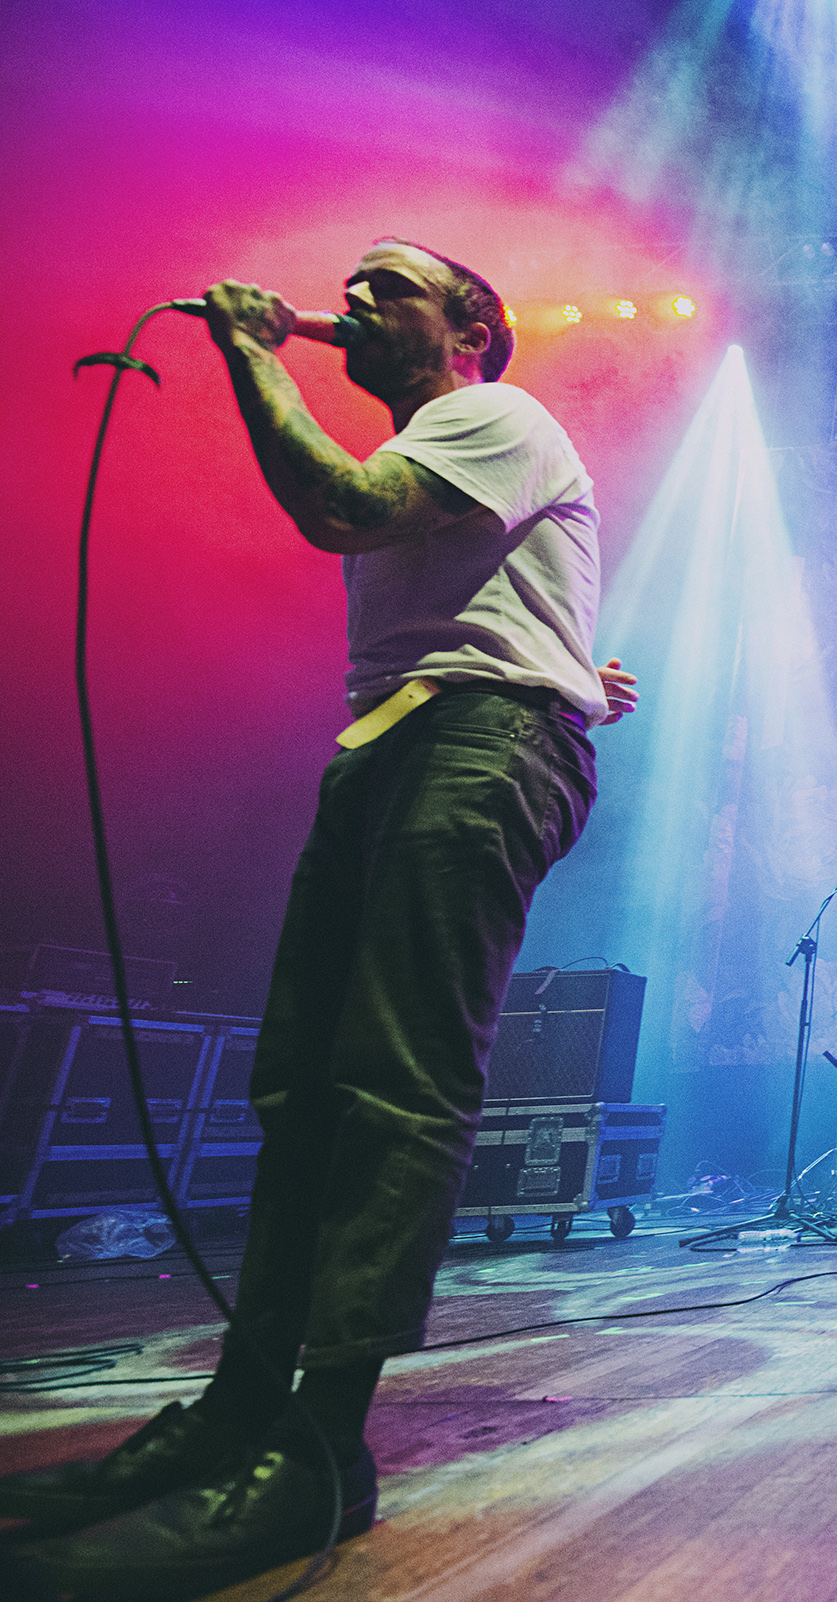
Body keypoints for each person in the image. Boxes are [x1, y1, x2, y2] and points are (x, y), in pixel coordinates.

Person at [1, 239, 639, 1597]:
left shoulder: (495, 413)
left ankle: (317, 1449)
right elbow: (478, 591)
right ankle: (240, 1414)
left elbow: (343, 505)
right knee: (300, 1085)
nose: (346, 305)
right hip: (395, 746)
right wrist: (575, 661)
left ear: (472, 322)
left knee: (394, 1083)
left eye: (383, 288)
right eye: (343, 287)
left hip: (473, 747)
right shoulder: (458, 450)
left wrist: (245, 350)